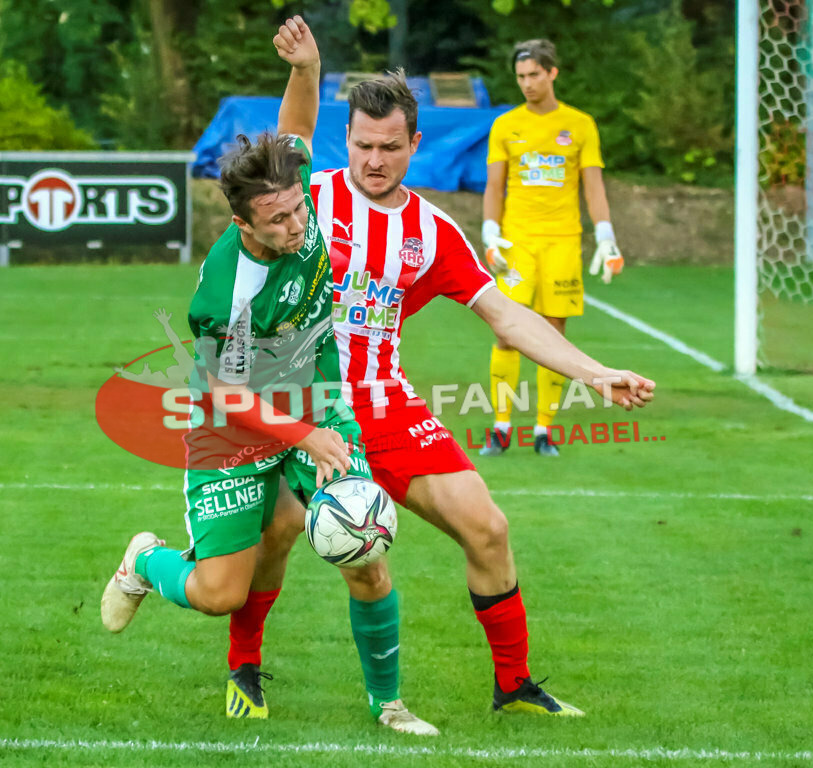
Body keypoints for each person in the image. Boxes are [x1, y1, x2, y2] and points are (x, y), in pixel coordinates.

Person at [227, 70, 655, 717]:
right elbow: (285, 144)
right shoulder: (308, 201)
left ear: (415, 144)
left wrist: (593, 373)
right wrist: (304, 72)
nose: (375, 160)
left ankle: (513, 684)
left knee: (487, 527)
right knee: (299, 535)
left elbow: (506, 315)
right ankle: (247, 669)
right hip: (305, 404)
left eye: (391, 147)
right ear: (347, 139)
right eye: (364, 145)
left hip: (388, 402)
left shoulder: (432, 232)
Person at [100, 17, 436, 736]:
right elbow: (227, 393)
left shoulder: (294, 192)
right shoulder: (229, 290)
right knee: (221, 590)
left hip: (317, 397)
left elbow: (294, 127)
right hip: (232, 423)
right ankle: (145, 562)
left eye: (295, 210)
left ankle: (389, 702)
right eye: (276, 222)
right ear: (244, 223)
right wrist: (304, 435)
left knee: (366, 548)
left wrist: (308, 69)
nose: (294, 227)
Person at [480, 39, 625, 457]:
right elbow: (494, 185)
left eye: (533, 75)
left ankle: (544, 430)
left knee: (554, 333)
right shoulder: (506, 125)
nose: (526, 83)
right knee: (506, 332)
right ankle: (501, 427)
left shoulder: (580, 125)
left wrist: (606, 236)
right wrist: (490, 231)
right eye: (520, 77)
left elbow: (593, 187)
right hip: (518, 242)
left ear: (552, 73)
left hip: (563, 242)